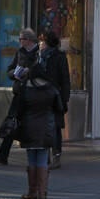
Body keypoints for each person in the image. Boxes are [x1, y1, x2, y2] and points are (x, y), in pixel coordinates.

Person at [0, 29, 39, 165]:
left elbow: (41, 71)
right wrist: (14, 74)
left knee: (34, 125)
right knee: (11, 123)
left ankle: (38, 157)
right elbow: (9, 70)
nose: (19, 41)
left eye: (21, 39)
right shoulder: (20, 52)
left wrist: (28, 72)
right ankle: (3, 155)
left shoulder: (38, 53)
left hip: (33, 93)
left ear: (29, 40)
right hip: (19, 93)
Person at [15, 71, 63, 199]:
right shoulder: (52, 88)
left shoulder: (25, 88)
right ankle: (42, 193)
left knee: (31, 159)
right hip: (46, 127)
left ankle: (32, 191)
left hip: (29, 127)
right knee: (42, 160)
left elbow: (19, 109)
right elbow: (60, 107)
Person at [32, 30, 70, 169]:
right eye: (39, 41)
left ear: (48, 43)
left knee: (55, 127)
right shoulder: (37, 56)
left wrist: (64, 99)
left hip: (54, 96)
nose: (39, 44)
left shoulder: (59, 56)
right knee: (42, 126)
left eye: (42, 41)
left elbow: (65, 79)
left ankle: (56, 155)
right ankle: (45, 155)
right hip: (39, 96)